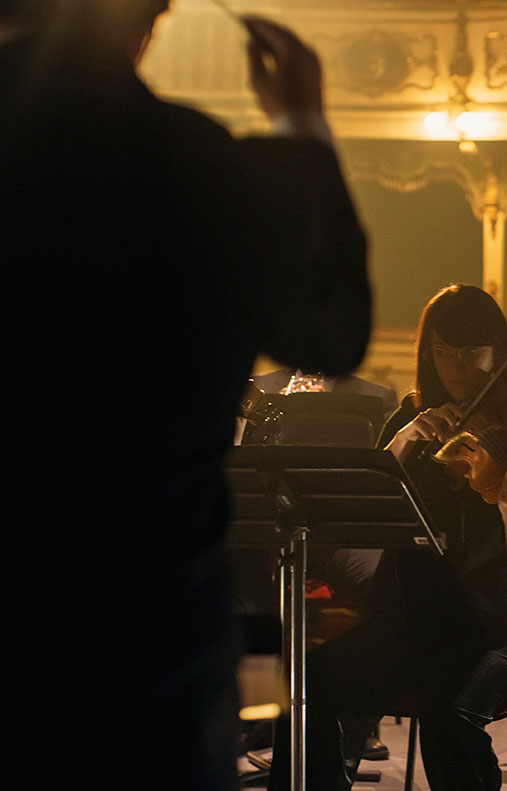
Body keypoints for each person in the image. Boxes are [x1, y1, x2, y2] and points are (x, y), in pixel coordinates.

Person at [2, 2, 369, 789]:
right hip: (147, 631)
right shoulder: (197, 161)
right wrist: (303, 126)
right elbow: (333, 332)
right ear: (150, 20)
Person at [270, 285, 507, 791]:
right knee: (305, 684)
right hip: (419, 624)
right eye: (442, 351)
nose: (456, 367)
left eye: (470, 352)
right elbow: (359, 516)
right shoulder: (412, 420)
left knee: (448, 714)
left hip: (501, 632)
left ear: (498, 352)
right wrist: (400, 444)